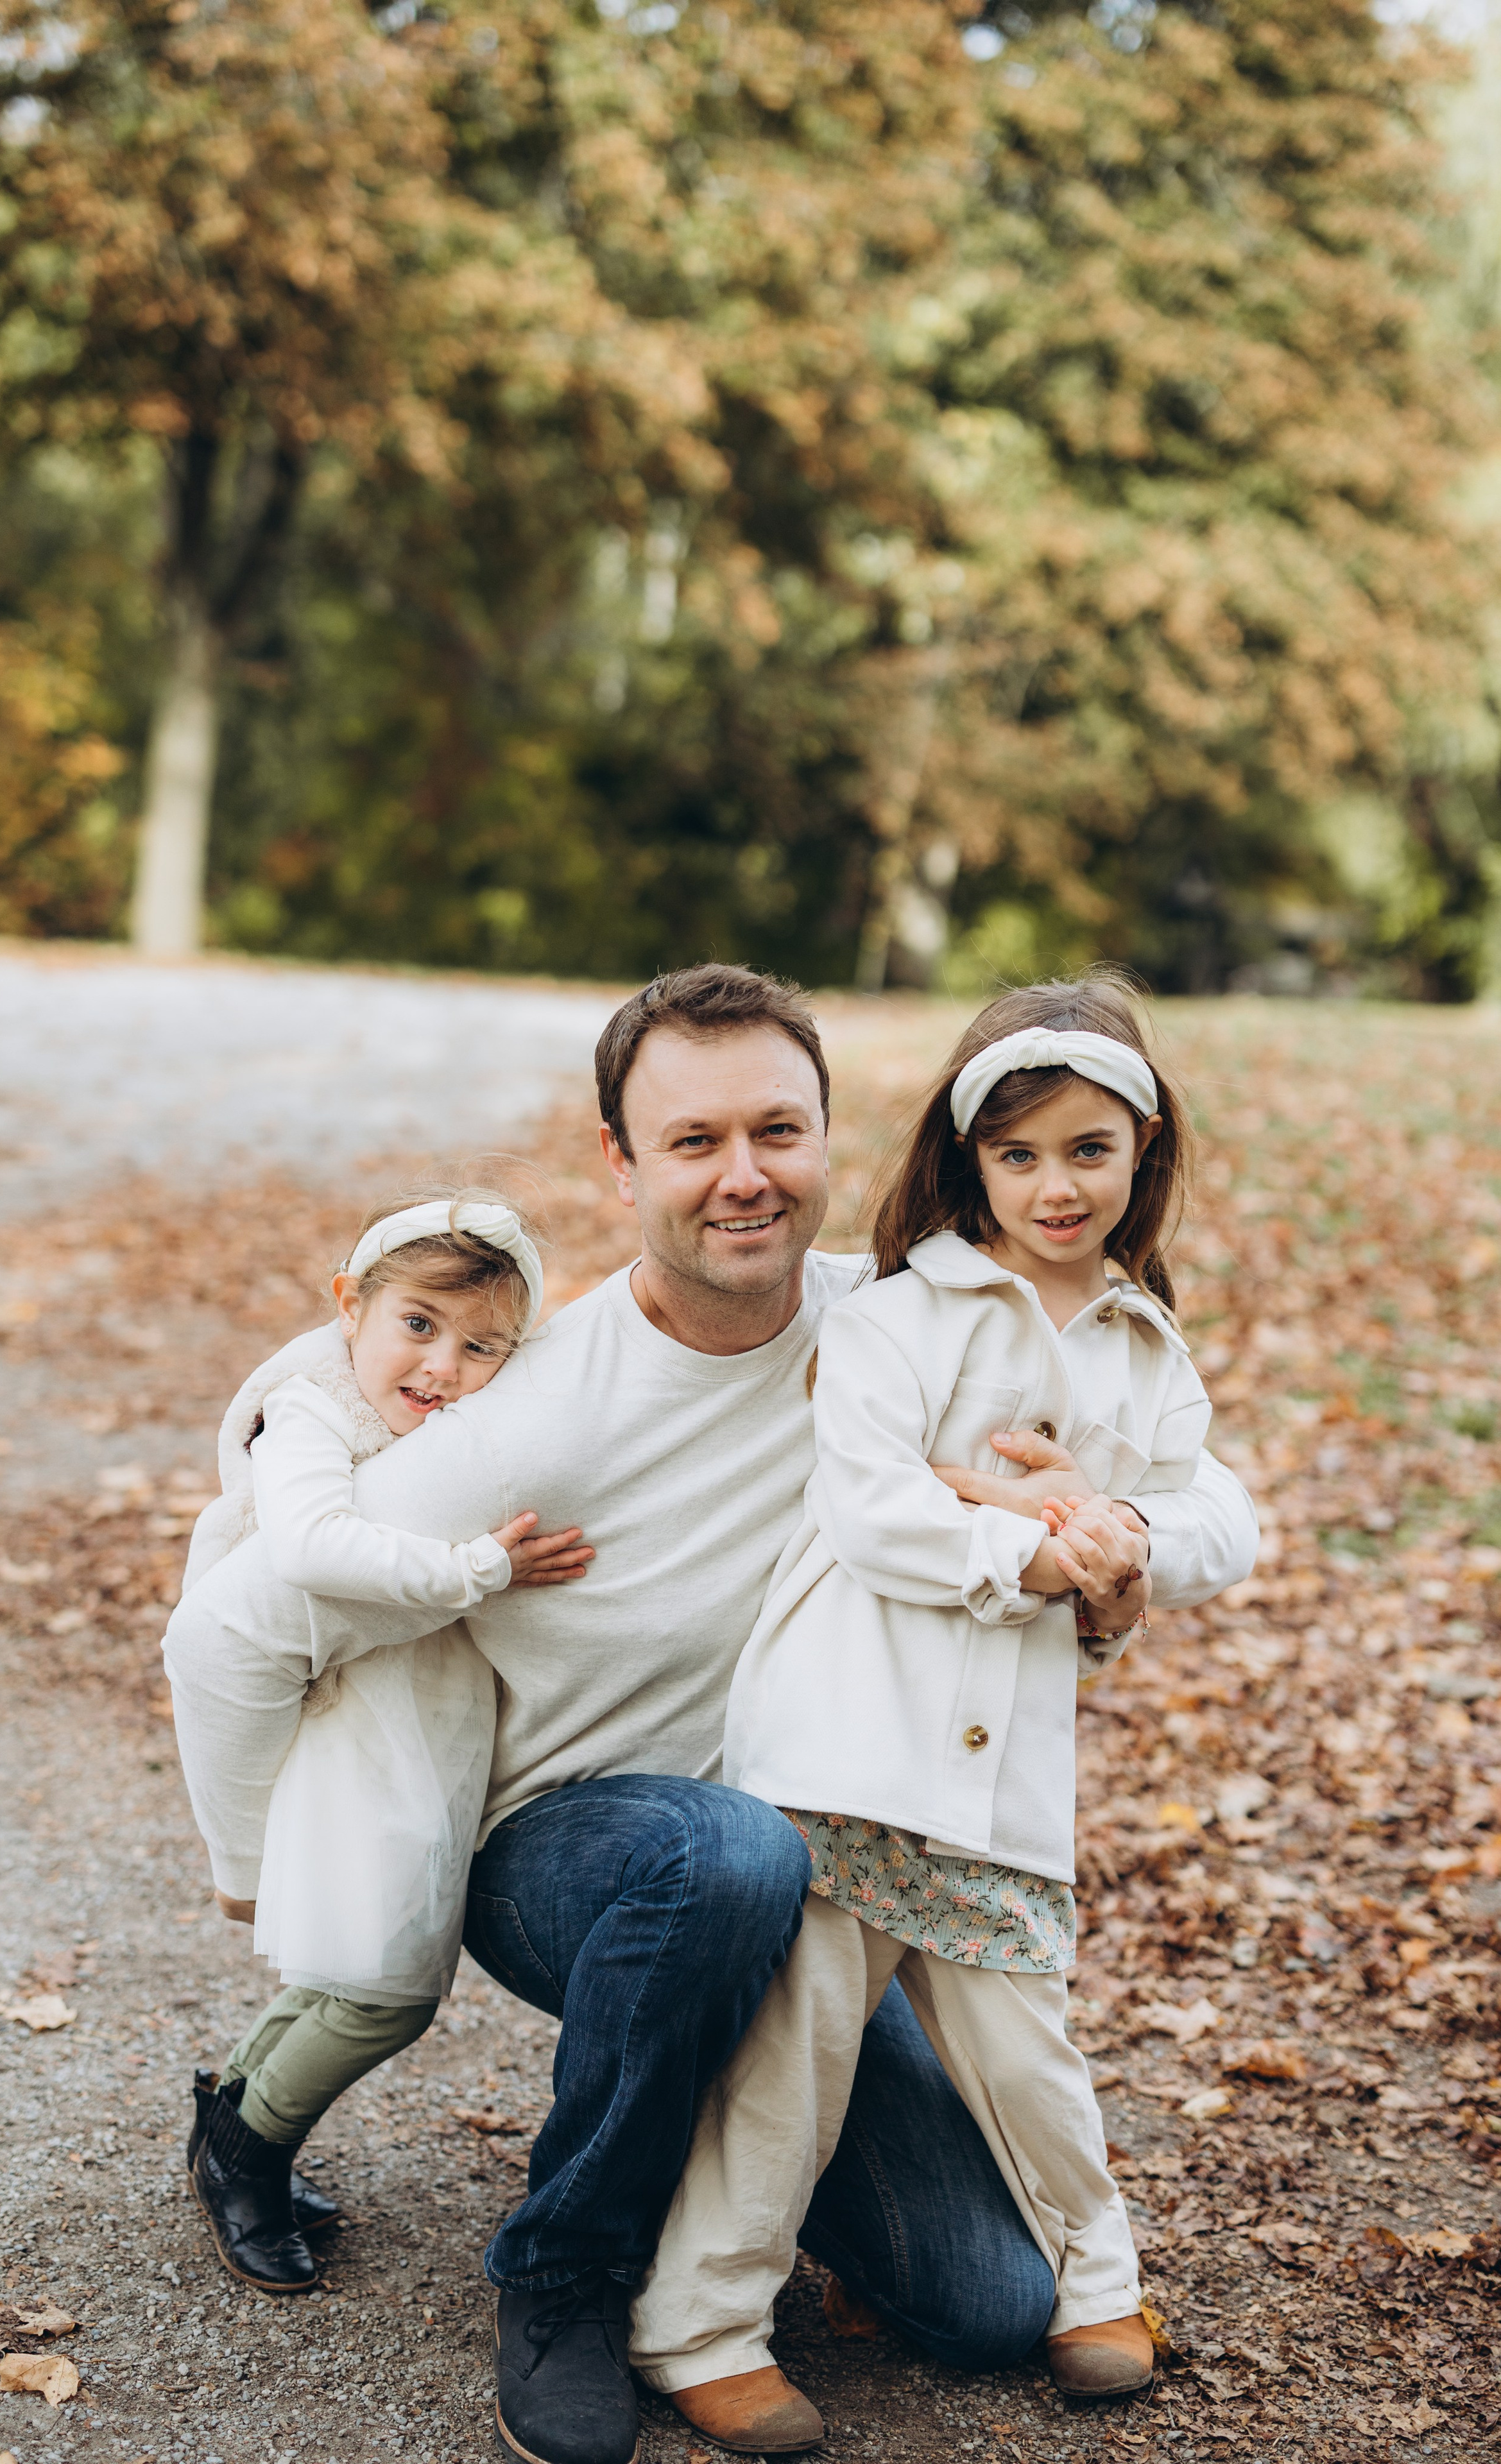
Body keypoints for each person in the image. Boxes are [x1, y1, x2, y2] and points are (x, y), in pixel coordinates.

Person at [163, 963, 1258, 2464]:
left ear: (828, 1136)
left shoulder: (890, 1324)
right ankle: (566, 2274)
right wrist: (247, 1864)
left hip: (823, 1858)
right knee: (723, 1857)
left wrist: (1110, 1561)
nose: (742, 1177)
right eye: (690, 1141)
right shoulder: (530, 1410)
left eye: (777, 1130)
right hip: (577, 1856)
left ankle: (733, 2159)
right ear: (620, 1163)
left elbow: (1169, 1492)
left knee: (991, 2302)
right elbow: (236, 1630)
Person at [628, 977, 1219, 2443]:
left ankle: (1097, 2287)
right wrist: (1031, 1548)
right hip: (847, 1739)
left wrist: (1124, 1538)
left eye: (1088, 1150)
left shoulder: (1145, 1343)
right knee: (798, 2051)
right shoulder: (901, 1317)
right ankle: (696, 2322)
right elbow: (876, 1511)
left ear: (1142, 1152)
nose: (1054, 1185)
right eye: (1016, 1156)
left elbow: (1219, 1515)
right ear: (968, 1165)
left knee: (1027, 2045)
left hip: (997, 1777)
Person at [166, 1194, 589, 2294]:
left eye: (483, 1345)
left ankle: (232, 2120)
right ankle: (249, 2153)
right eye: (418, 1324)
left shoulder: (449, 1426)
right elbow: (307, 1547)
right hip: (354, 1720)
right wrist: (478, 1572)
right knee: (385, 1986)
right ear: (351, 1304)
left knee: (351, 1957)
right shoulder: (311, 1414)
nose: (443, 1365)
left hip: (422, 1718)